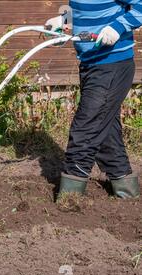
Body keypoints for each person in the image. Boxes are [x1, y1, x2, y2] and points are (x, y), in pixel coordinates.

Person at [45, 0, 141, 199]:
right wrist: (64, 19)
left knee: (86, 127)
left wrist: (117, 27)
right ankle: (127, 191)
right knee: (105, 128)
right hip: (89, 64)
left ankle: (69, 197)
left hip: (113, 64)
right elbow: (83, 9)